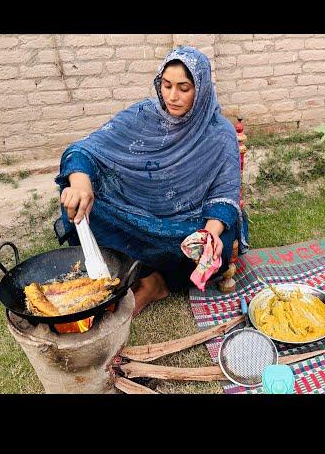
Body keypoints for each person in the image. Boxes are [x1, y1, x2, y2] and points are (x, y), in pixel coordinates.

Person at [54, 46, 248, 316]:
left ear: (201, 89)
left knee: (221, 243)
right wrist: (81, 185)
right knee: (85, 207)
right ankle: (144, 274)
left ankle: (159, 283)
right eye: (166, 85)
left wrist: (209, 234)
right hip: (139, 215)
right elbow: (84, 150)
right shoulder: (142, 116)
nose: (172, 96)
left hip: (188, 224)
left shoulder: (219, 133)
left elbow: (224, 196)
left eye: (184, 88)